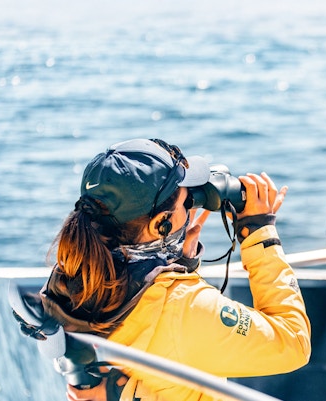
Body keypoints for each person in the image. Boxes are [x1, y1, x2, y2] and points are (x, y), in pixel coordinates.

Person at [37, 138, 311, 401]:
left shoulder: (71, 278)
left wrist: (179, 267)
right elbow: (293, 343)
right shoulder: (185, 307)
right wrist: (260, 234)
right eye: (185, 202)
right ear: (160, 224)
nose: (190, 208)